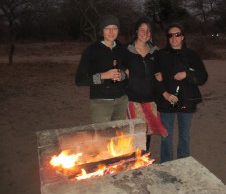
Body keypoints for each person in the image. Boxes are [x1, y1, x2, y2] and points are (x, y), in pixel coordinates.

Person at [156, 22, 208, 163]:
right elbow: (155, 77)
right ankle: (166, 164)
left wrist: (187, 74)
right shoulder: (161, 54)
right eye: (171, 35)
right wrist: (165, 94)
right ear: (168, 38)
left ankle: (183, 164)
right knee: (166, 135)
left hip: (186, 100)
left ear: (183, 37)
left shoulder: (191, 54)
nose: (174, 38)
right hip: (166, 101)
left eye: (177, 34)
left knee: (184, 135)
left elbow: (203, 76)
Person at [124, 17, 167, 151]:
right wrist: (122, 73)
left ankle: (143, 164)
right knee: (133, 138)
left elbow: (163, 70)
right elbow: (116, 70)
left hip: (150, 101)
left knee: (146, 137)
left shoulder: (156, 52)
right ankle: (132, 165)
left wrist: (163, 75)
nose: (145, 33)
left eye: (148, 31)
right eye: (142, 30)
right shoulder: (126, 51)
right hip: (132, 101)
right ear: (136, 31)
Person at [75, 15, 128, 123]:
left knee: (119, 137)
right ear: (102, 31)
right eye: (107, 28)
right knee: (103, 138)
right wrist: (103, 76)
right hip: (101, 103)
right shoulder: (91, 51)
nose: (111, 31)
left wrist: (122, 75)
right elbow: (79, 80)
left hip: (121, 101)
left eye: (115, 28)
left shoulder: (122, 49)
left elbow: (127, 72)